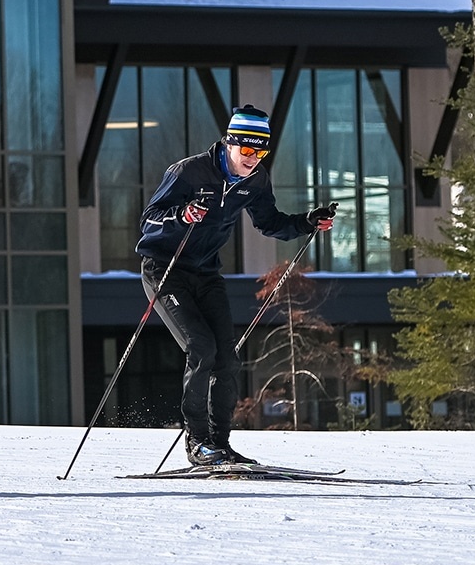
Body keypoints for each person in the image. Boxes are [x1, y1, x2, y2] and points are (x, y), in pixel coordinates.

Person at [136, 104, 335, 468]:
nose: (253, 159)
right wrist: (182, 216)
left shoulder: (255, 180)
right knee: (201, 346)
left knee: (227, 358)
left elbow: (270, 222)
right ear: (229, 143)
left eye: (261, 152)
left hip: (206, 273)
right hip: (165, 270)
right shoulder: (188, 172)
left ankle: (219, 444)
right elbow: (149, 222)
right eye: (247, 150)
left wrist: (307, 222)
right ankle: (197, 443)